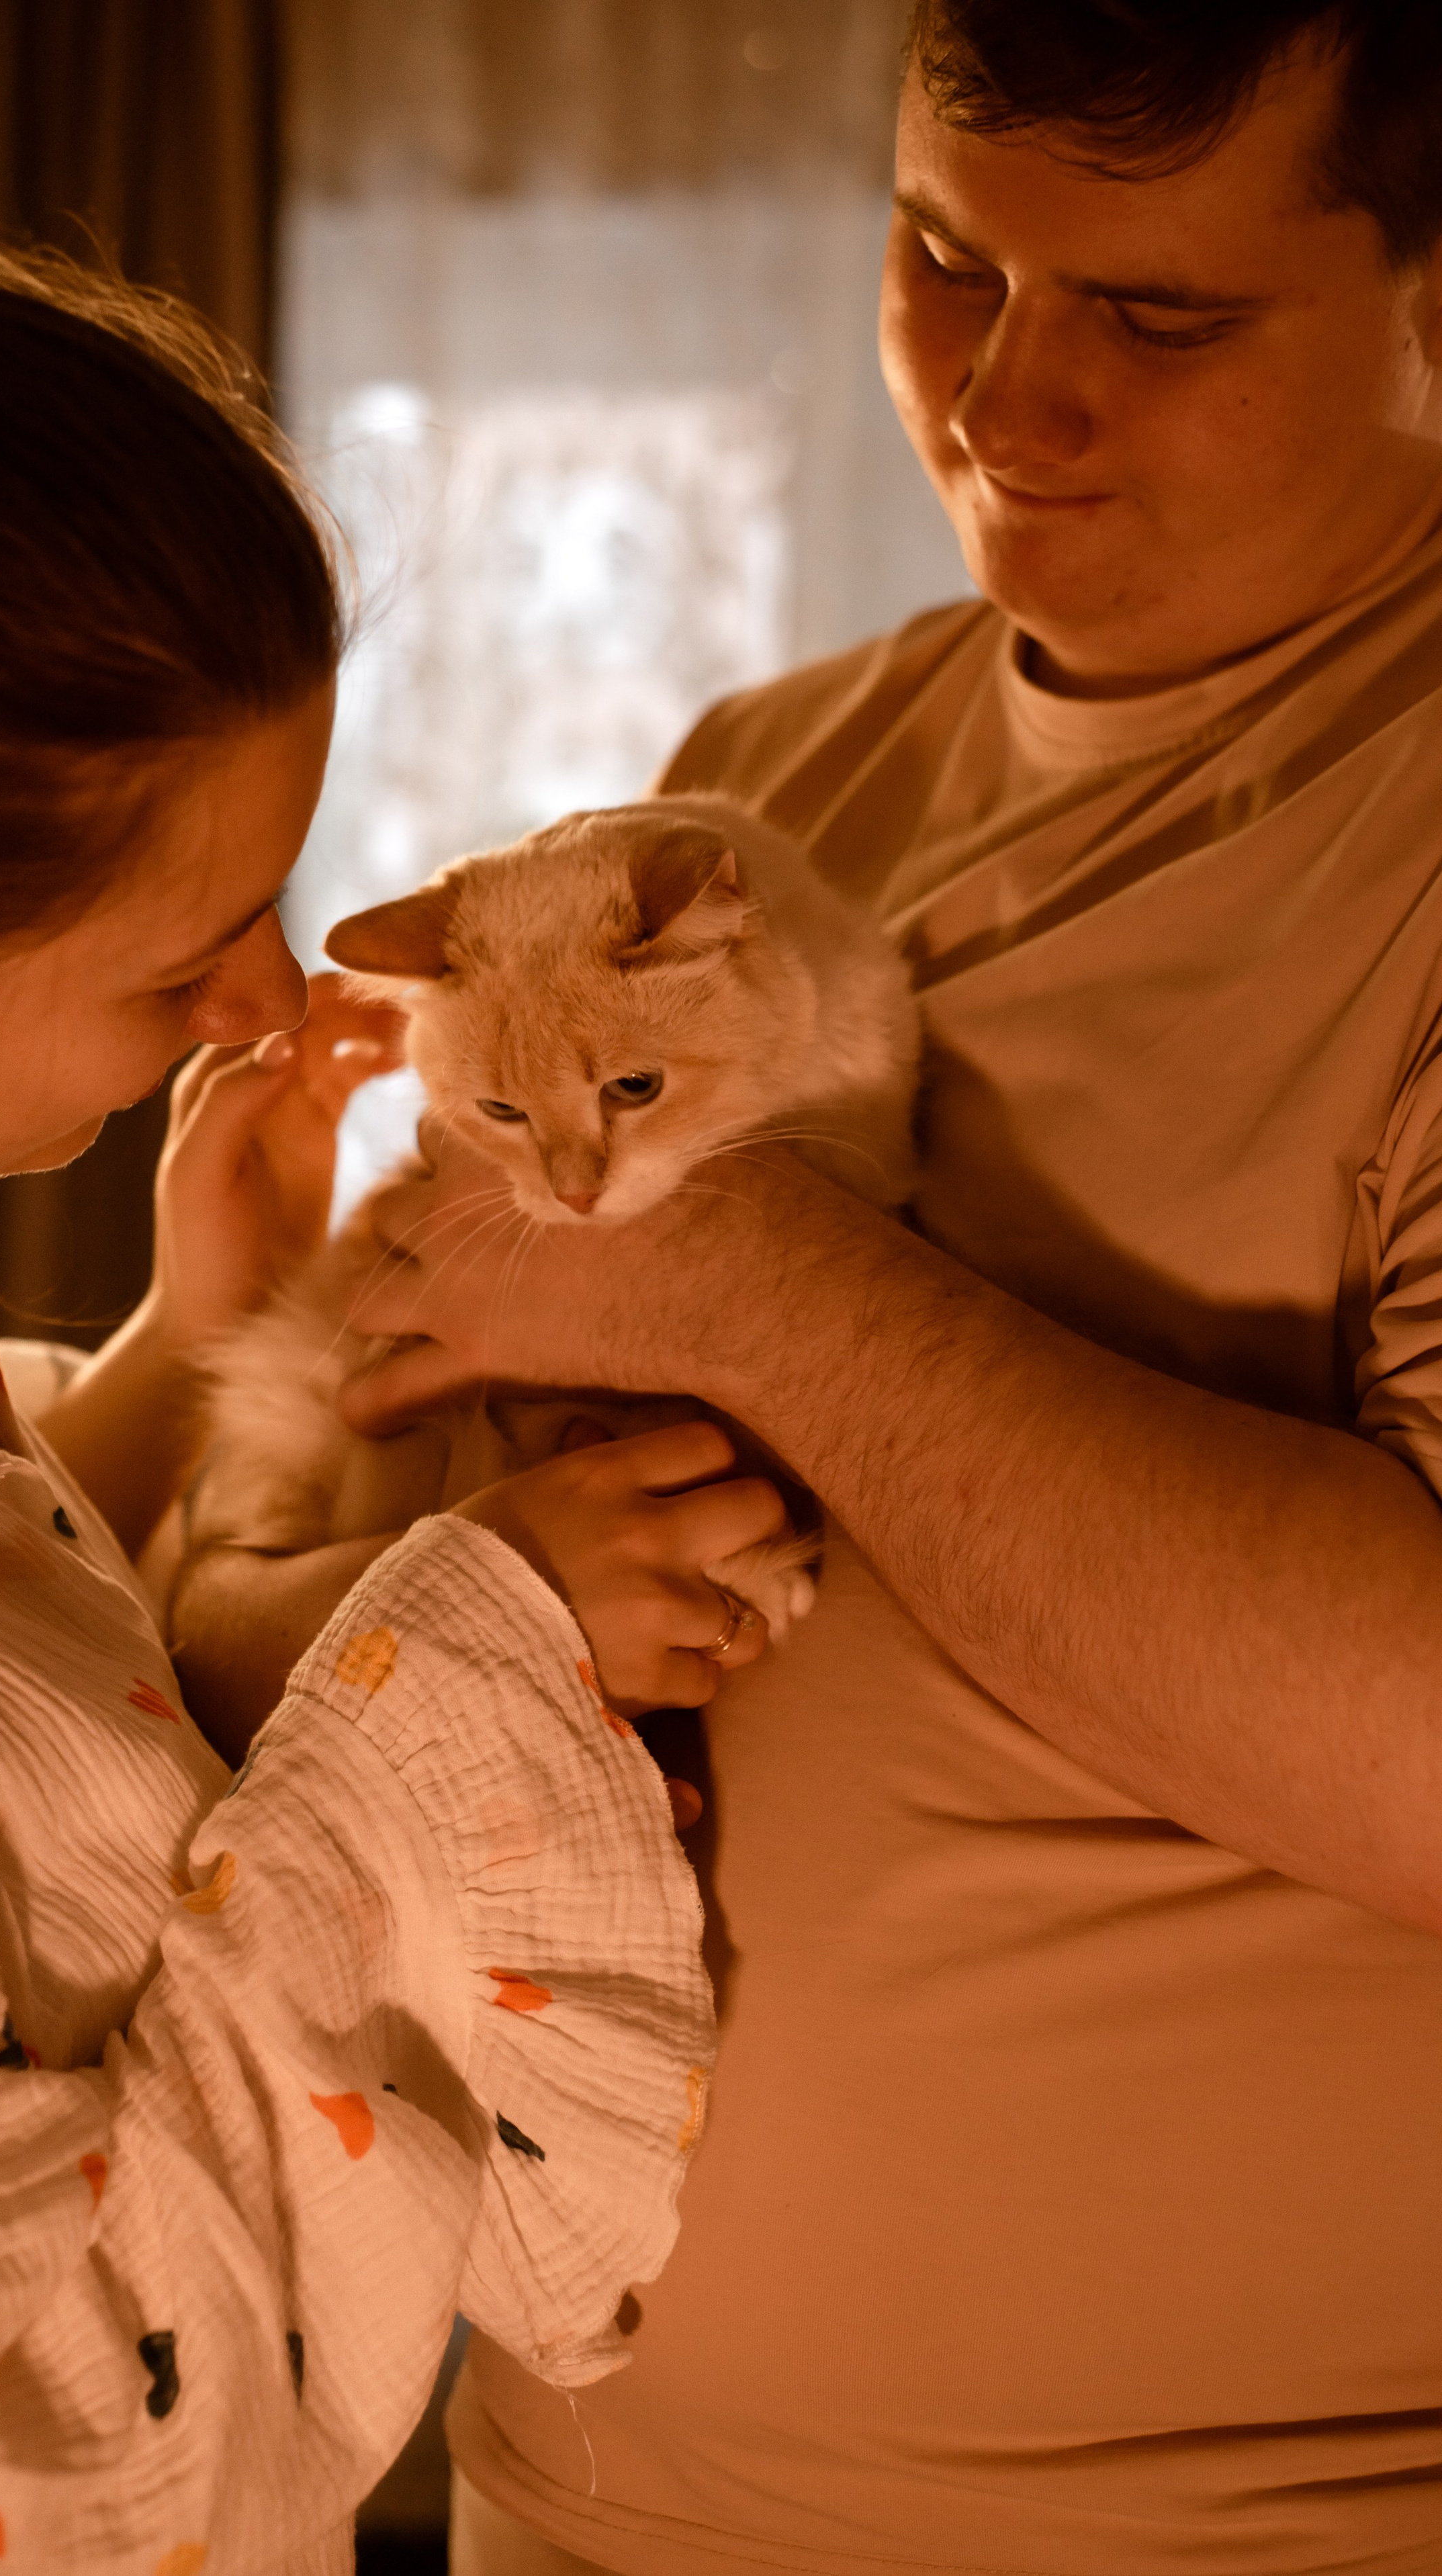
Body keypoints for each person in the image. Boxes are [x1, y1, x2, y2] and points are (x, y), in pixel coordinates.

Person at [299, 2, 1442, 2569]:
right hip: (578, 2489)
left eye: (1159, 313)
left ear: (1424, 290)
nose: (1010, 403)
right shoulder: (767, 777)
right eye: (945, 258)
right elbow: (411, 1387)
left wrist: (754, 1285)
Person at [0, 218, 791, 2575]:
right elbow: (79, 2466)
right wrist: (468, 1664)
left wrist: (171, 1374)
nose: (266, 993)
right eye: (175, 952)